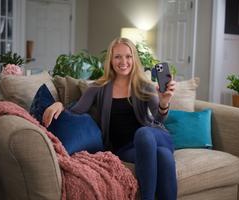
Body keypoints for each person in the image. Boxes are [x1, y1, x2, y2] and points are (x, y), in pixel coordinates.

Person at [43, 37, 177, 200]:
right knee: (163, 157)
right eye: (118, 56)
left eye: (128, 56)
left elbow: (158, 119)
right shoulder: (98, 88)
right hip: (125, 149)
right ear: (111, 60)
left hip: (155, 137)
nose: (124, 61)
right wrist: (60, 105)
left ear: (134, 58)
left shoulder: (144, 85)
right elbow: (76, 110)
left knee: (143, 134)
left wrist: (164, 102)